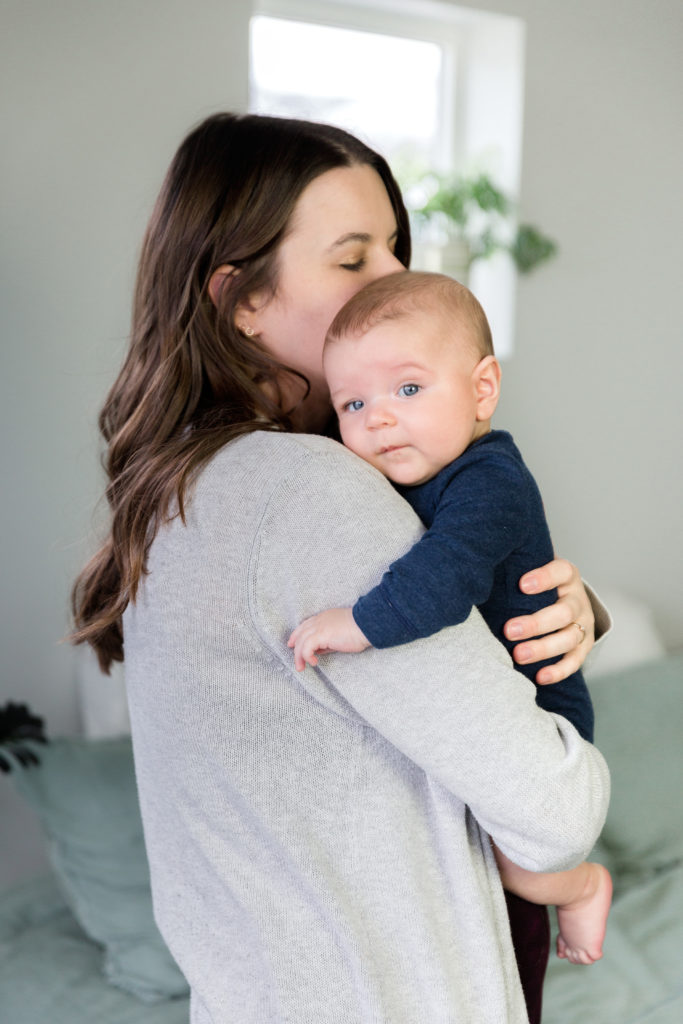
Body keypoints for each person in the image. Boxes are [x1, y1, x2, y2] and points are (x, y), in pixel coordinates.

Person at [71, 113, 610, 1024]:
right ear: (241, 300)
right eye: (353, 257)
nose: (396, 279)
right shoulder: (307, 492)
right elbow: (554, 809)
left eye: (397, 249)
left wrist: (572, 605)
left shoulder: (175, 490)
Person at [288, 269, 613, 966]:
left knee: (518, 864)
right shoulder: (391, 475)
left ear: (481, 389)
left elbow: (441, 579)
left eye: (407, 389)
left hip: (540, 709)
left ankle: (583, 888)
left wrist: (354, 624)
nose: (377, 417)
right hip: (486, 708)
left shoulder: (490, 481)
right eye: (350, 403)